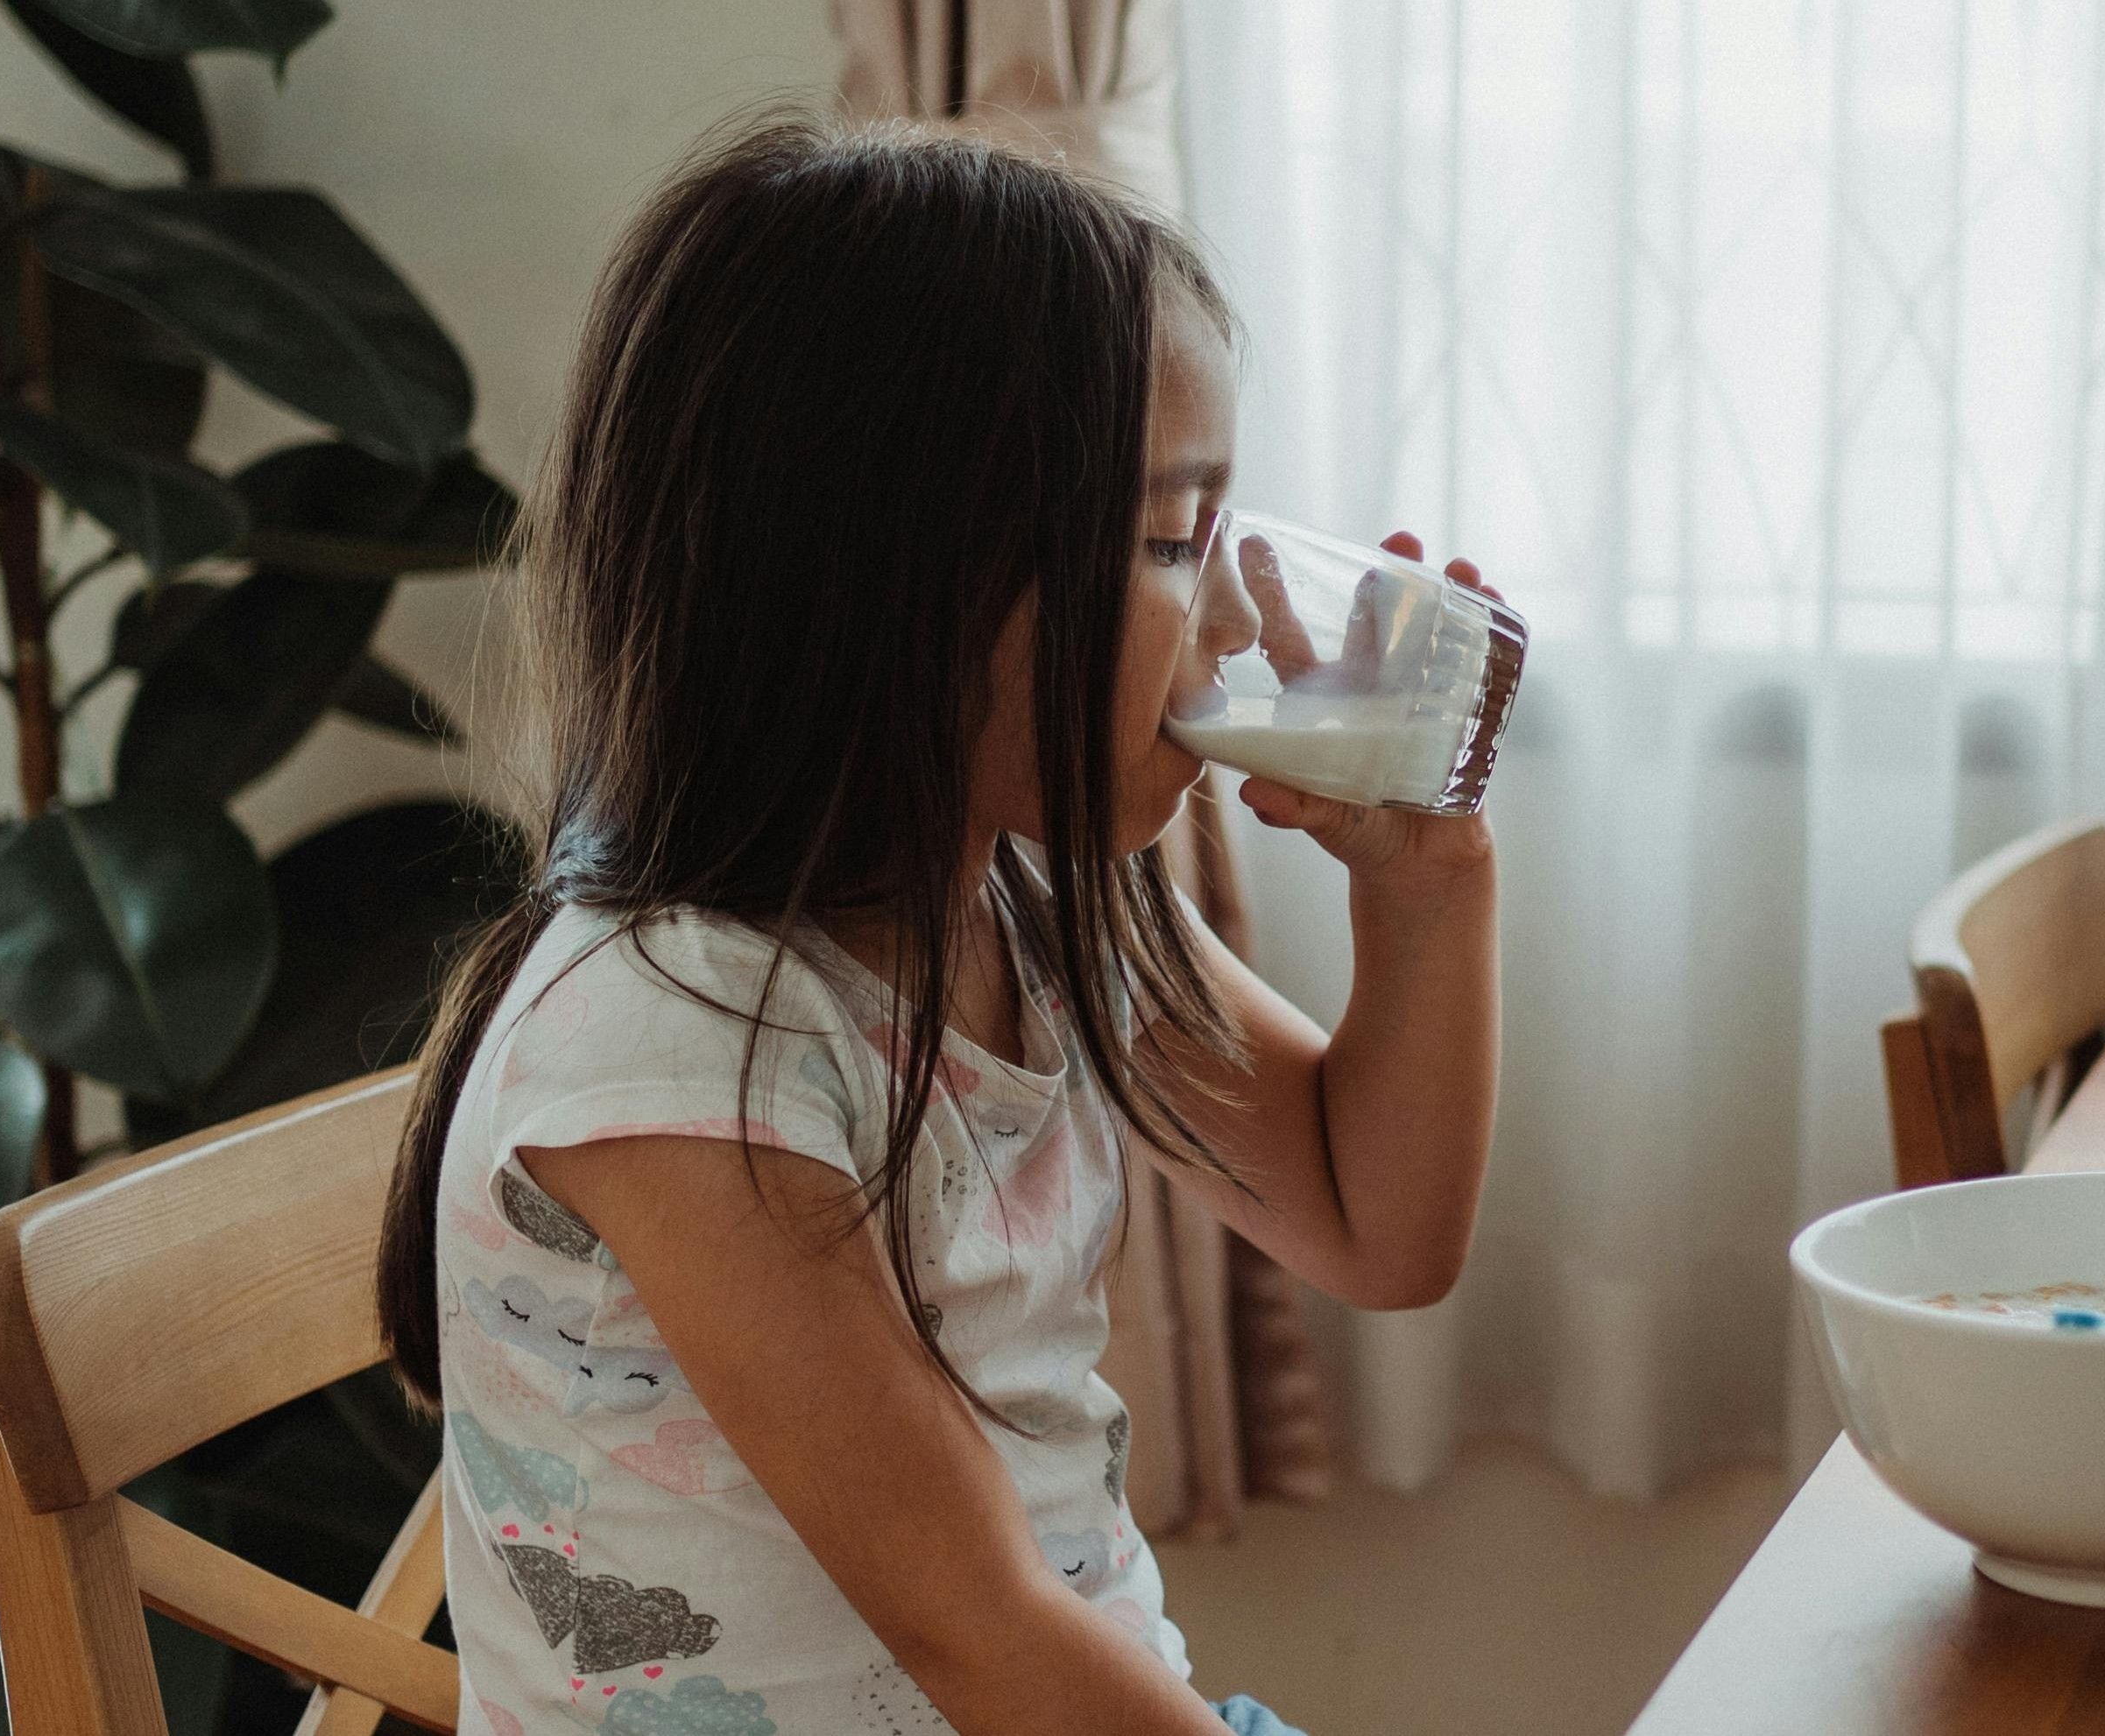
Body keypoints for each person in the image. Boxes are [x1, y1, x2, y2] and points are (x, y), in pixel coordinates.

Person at [374, 115, 1501, 1736]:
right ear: (903, 579)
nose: (1246, 619)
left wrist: (1428, 886)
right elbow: (982, 1626)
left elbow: (1375, 1224)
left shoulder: (1037, 906)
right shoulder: (673, 1039)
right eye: (1177, 543)